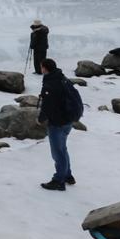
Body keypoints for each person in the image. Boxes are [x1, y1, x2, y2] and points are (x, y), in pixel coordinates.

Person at [38, 58, 77, 191]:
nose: (40, 69)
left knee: (57, 152)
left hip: (58, 122)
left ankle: (58, 180)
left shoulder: (50, 84)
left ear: (45, 68)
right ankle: (67, 175)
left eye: (41, 67)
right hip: (68, 121)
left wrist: (41, 118)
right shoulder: (62, 78)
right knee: (62, 149)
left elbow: (47, 105)